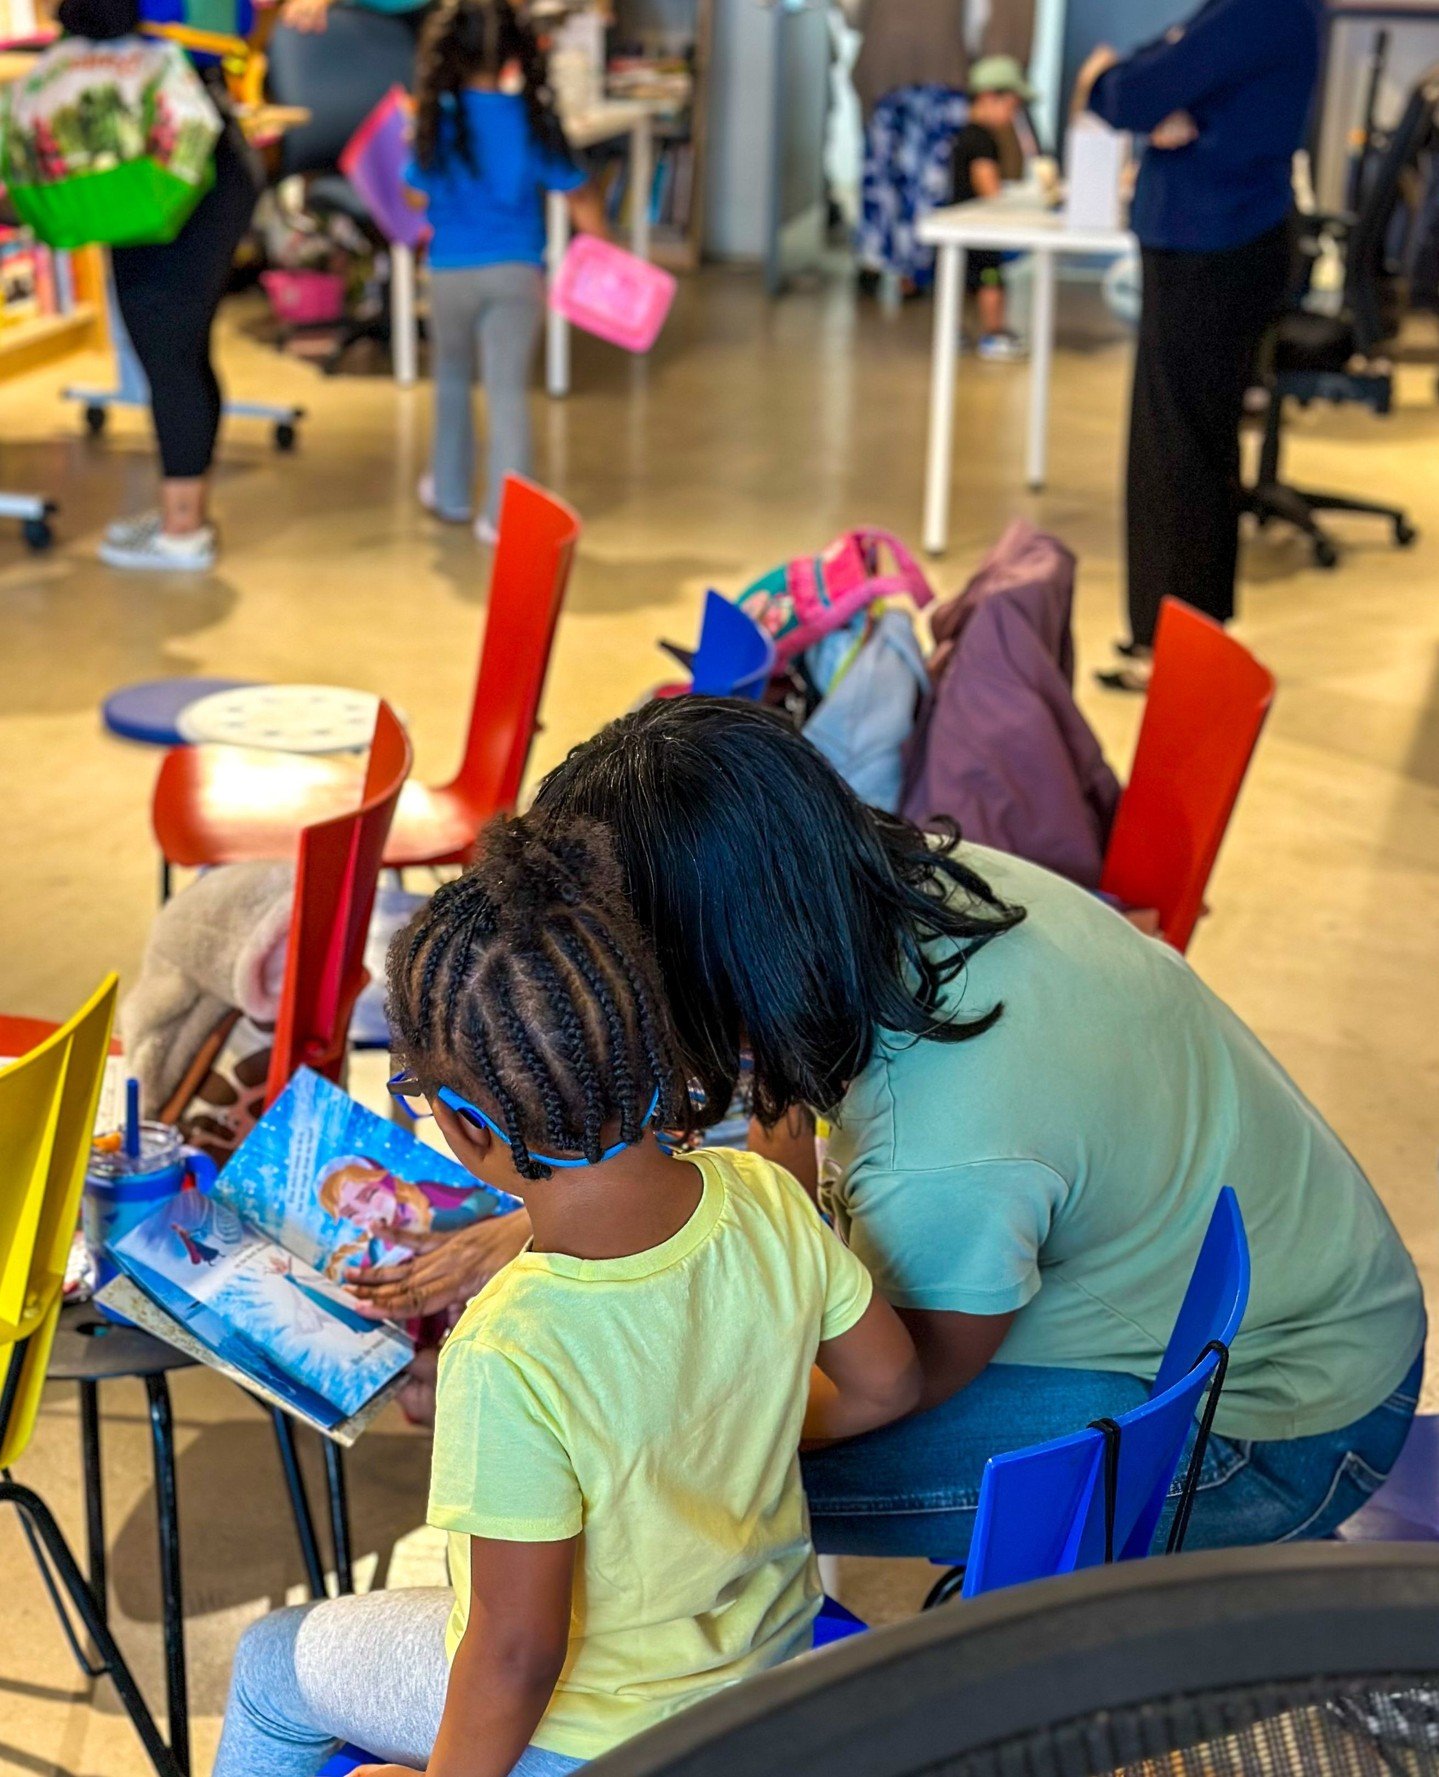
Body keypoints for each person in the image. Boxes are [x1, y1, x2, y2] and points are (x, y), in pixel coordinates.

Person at [356, 699, 1426, 1561]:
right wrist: (559, 1216)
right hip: (1264, 1320)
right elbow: (780, 1135)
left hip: (1279, 1427)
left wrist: (580, 1433)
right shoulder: (887, 899)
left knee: (651, 1491)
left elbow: (885, 1380)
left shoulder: (946, 1144)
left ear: (712, 955)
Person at [215, 815, 919, 1777]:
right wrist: (708, 1426)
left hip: (596, 1739)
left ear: (464, 1127)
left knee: (267, 1665)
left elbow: (516, 1650)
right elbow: (886, 1385)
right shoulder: (766, 1197)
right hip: (769, 1674)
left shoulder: (508, 1347)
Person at [1075, 0, 1323, 691]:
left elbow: (1133, 89)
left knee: (1176, 448)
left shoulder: (1260, 9)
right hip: (1213, 241)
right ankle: (1188, 640)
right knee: (1190, 444)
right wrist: (1150, 90)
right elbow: (1158, 67)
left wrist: (1107, 82)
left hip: (1211, 245)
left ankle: (1169, 649)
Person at [57, 0, 262, 572]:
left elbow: (95, 15)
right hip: (210, 148)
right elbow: (236, 23)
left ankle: (181, 532)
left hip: (160, 164)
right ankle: (185, 514)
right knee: (185, 349)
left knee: (166, 346)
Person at [404, 0, 604, 544]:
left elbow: (413, 193)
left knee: (449, 379)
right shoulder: (530, 121)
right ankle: (502, 517)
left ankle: (448, 493)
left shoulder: (435, 122)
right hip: (518, 276)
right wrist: (607, 252)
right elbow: (576, 193)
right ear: (516, 54)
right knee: (507, 392)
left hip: (449, 274)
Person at [951, 54, 1035, 361]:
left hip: (960, 226)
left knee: (962, 279)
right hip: (978, 227)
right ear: (989, 98)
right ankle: (993, 331)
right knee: (991, 279)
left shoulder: (962, 134)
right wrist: (1005, 196)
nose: (1012, 116)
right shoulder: (982, 140)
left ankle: (957, 331)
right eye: (1011, 107)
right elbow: (986, 183)